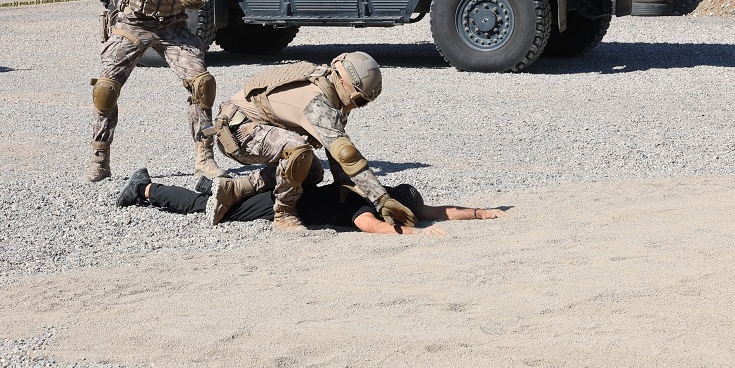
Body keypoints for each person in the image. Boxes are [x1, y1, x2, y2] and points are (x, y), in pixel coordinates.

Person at [87, 0, 225, 183]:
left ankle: (205, 157)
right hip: (132, 23)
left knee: (202, 84)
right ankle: (99, 158)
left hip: (172, 25)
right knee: (105, 89)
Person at [208, 52, 416, 232]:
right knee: (297, 152)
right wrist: (382, 200)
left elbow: (335, 153)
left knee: (311, 172)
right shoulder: (318, 105)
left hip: (251, 126)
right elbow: (346, 155)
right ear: (345, 83)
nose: (357, 107)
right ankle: (284, 215)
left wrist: (349, 188)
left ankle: (236, 189)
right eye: (359, 100)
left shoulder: (328, 86)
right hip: (238, 133)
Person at [115, 167, 506, 235]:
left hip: (292, 191)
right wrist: (411, 236)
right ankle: (145, 190)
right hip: (284, 205)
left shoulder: (376, 194)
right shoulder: (362, 206)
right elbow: (373, 227)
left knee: (227, 193)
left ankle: (209, 184)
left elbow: (435, 211)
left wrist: (478, 213)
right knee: (213, 211)